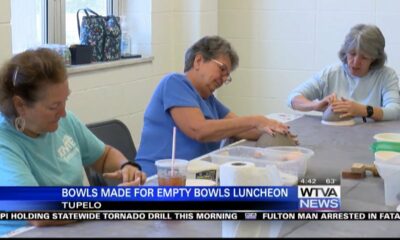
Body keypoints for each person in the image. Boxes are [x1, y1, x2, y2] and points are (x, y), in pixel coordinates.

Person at [0, 48, 147, 233]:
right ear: (20, 105)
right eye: (54, 106)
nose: (62, 113)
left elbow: (104, 156)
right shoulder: (4, 141)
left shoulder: (66, 120)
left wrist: (126, 167)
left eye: (65, 101)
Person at [136, 35, 292, 176]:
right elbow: (199, 130)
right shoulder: (174, 83)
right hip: (159, 179)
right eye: (222, 69)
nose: (224, 79)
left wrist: (277, 131)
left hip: (195, 177)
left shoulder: (208, 99)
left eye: (227, 76)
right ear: (198, 61)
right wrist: (256, 120)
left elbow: (241, 130)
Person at [287, 24, 400, 121]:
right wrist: (315, 105)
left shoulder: (386, 76)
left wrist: (362, 110)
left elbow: (395, 110)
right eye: (352, 54)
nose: (355, 62)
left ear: (374, 58)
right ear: (345, 52)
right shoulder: (332, 73)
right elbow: (293, 98)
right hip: (335, 135)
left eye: (364, 57)